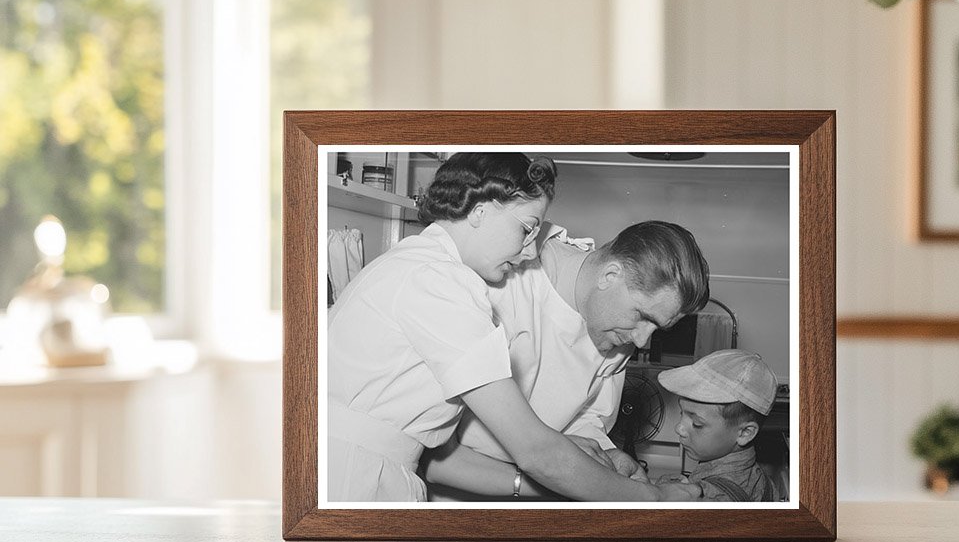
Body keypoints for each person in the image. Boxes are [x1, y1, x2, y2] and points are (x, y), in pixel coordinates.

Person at [327, 151, 696, 504]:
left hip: (373, 469)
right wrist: (655, 498)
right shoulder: (437, 280)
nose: (532, 252)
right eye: (526, 229)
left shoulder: (423, 267)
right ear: (480, 212)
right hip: (352, 474)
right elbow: (536, 451)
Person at [423, 220, 711, 495]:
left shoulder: (617, 328)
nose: (641, 340)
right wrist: (575, 481)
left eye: (656, 327)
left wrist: (605, 458)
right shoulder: (506, 280)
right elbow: (435, 456)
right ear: (610, 275)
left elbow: (586, 418)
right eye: (642, 317)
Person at [654, 349, 779, 502]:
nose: (679, 428)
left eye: (697, 423)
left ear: (745, 433)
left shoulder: (710, 500)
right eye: (682, 413)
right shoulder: (764, 482)